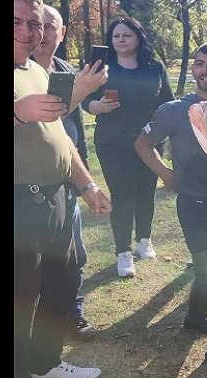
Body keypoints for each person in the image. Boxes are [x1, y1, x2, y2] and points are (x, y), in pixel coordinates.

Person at [14, 0, 112, 378]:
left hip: (55, 199)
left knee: (59, 284)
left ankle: (45, 364)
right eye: (16, 22)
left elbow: (61, 138)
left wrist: (87, 184)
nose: (27, 31)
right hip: (17, 202)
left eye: (34, 23)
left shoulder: (38, 70)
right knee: (20, 299)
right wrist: (17, 111)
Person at [134, 42, 207, 365]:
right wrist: (166, 175)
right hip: (195, 206)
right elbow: (143, 143)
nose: (204, 70)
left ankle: (195, 318)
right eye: (199, 63)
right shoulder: (173, 110)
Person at [82, 16, 175, 278]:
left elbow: (168, 101)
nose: (121, 40)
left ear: (138, 38)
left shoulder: (155, 67)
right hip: (113, 141)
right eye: (116, 36)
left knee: (146, 191)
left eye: (126, 35)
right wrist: (96, 106)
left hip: (149, 140)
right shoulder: (101, 67)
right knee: (123, 194)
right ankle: (123, 252)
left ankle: (143, 240)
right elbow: (82, 98)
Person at [32, 3, 103, 341]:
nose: (43, 33)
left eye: (51, 26)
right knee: (32, 267)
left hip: (65, 184)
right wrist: (81, 93)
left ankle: (70, 316)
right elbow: (41, 127)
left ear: (62, 34)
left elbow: (69, 134)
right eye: (37, 25)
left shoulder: (65, 69)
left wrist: (86, 182)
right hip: (30, 189)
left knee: (73, 256)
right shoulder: (23, 71)